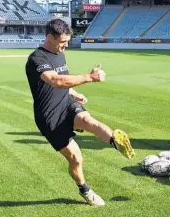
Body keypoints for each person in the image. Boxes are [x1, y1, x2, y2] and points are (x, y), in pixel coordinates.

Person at [25, 19, 134, 207]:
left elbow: (63, 82)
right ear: (49, 37)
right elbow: (56, 81)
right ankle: (85, 189)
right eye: (62, 42)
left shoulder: (60, 52)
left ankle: (115, 141)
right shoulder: (37, 59)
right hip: (49, 117)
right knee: (76, 158)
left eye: (67, 41)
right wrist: (90, 78)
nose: (66, 45)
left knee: (89, 120)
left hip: (66, 104)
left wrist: (74, 93)